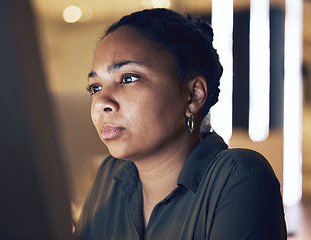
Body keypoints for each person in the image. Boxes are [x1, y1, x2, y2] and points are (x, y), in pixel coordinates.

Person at [74, 8, 287, 239]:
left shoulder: (239, 176)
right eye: (95, 88)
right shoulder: (109, 177)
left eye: (128, 78)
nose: (101, 102)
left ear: (193, 95)